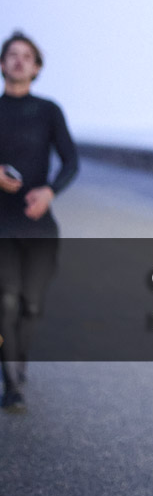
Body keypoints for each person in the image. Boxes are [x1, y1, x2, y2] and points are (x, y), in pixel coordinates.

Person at [0, 31, 78, 411]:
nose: (17, 61)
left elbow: (71, 162)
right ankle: (12, 384)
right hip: (2, 224)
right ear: (2, 64)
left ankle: (18, 363)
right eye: (11, 55)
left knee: (31, 305)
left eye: (25, 56)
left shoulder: (48, 110)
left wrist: (49, 191)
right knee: (6, 301)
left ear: (36, 67)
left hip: (39, 226)